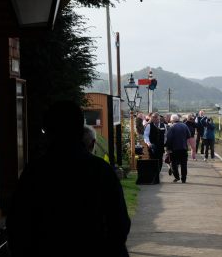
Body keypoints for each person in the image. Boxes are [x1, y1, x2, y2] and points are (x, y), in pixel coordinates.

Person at [7, 101, 130, 256]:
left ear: (48, 131)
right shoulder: (101, 170)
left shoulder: (35, 172)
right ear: (80, 130)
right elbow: (120, 223)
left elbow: (18, 225)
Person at [165, 114, 191, 183]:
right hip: (184, 148)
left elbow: (169, 139)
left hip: (174, 149)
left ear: (172, 120)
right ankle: (184, 179)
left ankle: (177, 177)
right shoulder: (185, 126)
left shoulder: (172, 127)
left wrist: (168, 149)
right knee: (184, 164)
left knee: (174, 164)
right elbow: (189, 136)